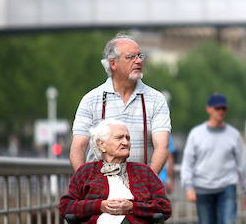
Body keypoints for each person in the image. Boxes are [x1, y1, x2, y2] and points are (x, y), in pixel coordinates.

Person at [70, 33, 171, 174]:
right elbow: (78, 147)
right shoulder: (91, 99)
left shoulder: (156, 99)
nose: (138, 61)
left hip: (141, 188)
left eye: (140, 56)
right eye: (131, 57)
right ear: (113, 64)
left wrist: (148, 183)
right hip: (100, 190)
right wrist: (85, 183)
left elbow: (162, 146)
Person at [180, 93, 246, 224]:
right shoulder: (196, 134)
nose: (221, 112)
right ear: (209, 109)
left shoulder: (233, 135)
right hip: (202, 188)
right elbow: (188, 162)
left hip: (226, 187)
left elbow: (242, 164)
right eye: (217, 108)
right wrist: (188, 186)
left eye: (224, 109)